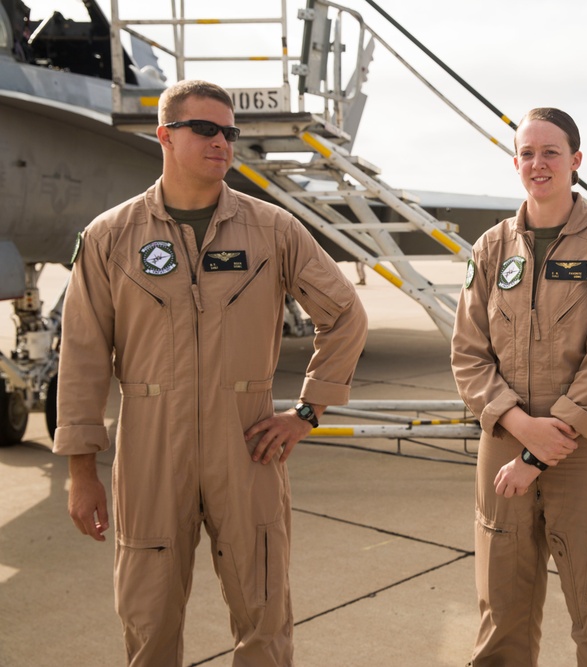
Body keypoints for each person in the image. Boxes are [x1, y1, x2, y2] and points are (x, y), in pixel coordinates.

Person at [54, 79, 368, 665]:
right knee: (148, 622)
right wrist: (81, 472)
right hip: (150, 448)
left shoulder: (273, 230)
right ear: (165, 135)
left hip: (247, 448)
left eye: (230, 132)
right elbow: (83, 359)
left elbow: (345, 314)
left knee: (264, 618)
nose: (221, 142)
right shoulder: (110, 238)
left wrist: (307, 412)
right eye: (205, 129)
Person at [451, 107, 587, 666]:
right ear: (516, 164)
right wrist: (517, 424)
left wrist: (542, 447)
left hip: (583, 449)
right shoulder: (491, 248)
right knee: (500, 617)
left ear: (575, 161)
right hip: (505, 443)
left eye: (551, 152)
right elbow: (468, 351)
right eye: (528, 153)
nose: (539, 163)